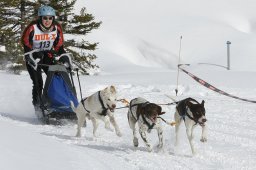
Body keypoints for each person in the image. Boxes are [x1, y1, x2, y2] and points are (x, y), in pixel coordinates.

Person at [21, 5, 66, 113]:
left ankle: (55, 102)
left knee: (56, 78)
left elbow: (59, 47)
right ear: (40, 18)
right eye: (45, 18)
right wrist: (32, 55)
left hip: (47, 56)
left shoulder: (57, 28)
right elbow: (26, 45)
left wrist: (64, 56)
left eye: (50, 18)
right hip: (33, 57)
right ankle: (38, 106)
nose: (47, 21)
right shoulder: (32, 28)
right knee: (38, 83)